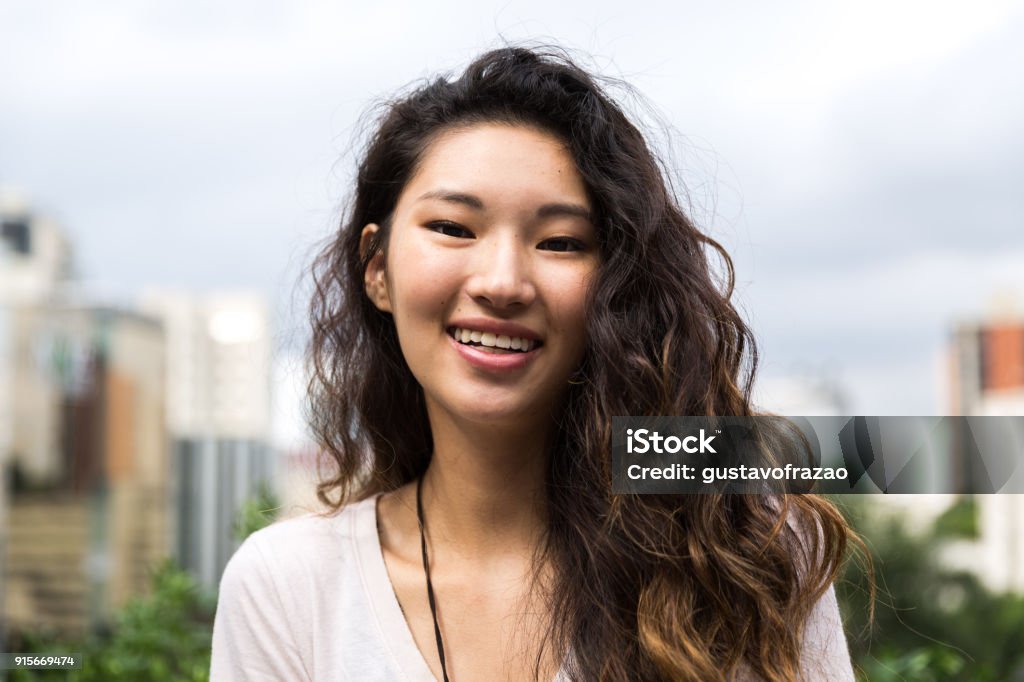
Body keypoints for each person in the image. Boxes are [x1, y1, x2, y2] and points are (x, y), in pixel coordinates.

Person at [211, 45, 860, 681]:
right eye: (453, 228)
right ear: (377, 268)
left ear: (617, 288)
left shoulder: (748, 557)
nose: (502, 282)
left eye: (560, 243)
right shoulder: (289, 587)